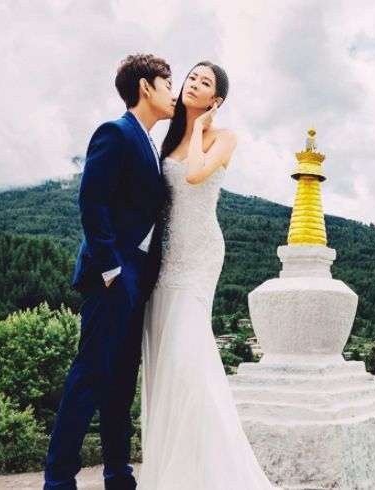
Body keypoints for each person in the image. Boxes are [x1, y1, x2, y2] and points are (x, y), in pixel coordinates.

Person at [139, 61, 272, 489]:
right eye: (191, 78)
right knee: (164, 360)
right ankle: (170, 471)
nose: (193, 84)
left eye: (204, 83)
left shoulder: (223, 137)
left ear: (216, 100)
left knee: (187, 356)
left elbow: (195, 174)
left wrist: (198, 130)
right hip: (165, 255)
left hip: (199, 257)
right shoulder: (166, 138)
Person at [45, 53, 174, 490]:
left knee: (121, 381)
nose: (172, 92)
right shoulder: (115, 133)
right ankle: (58, 480)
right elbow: (91, 201)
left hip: (138, 276)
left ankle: (119, 475)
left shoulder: (151, 144)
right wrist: (110, 269)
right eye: (168, 82)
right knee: (90, 376)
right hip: (114, 275)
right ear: (145, 86)